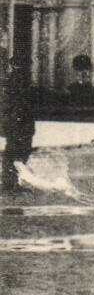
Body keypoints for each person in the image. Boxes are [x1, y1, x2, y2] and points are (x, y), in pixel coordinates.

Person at [2, 57, 36, 193]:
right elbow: (18, 102)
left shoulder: (15, 80)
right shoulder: (19, 80)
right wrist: (18, 119)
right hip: (18, 121)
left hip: (17, 121)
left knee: (16, 149)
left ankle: (11, 180)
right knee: (17, 149)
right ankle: (10, 182)